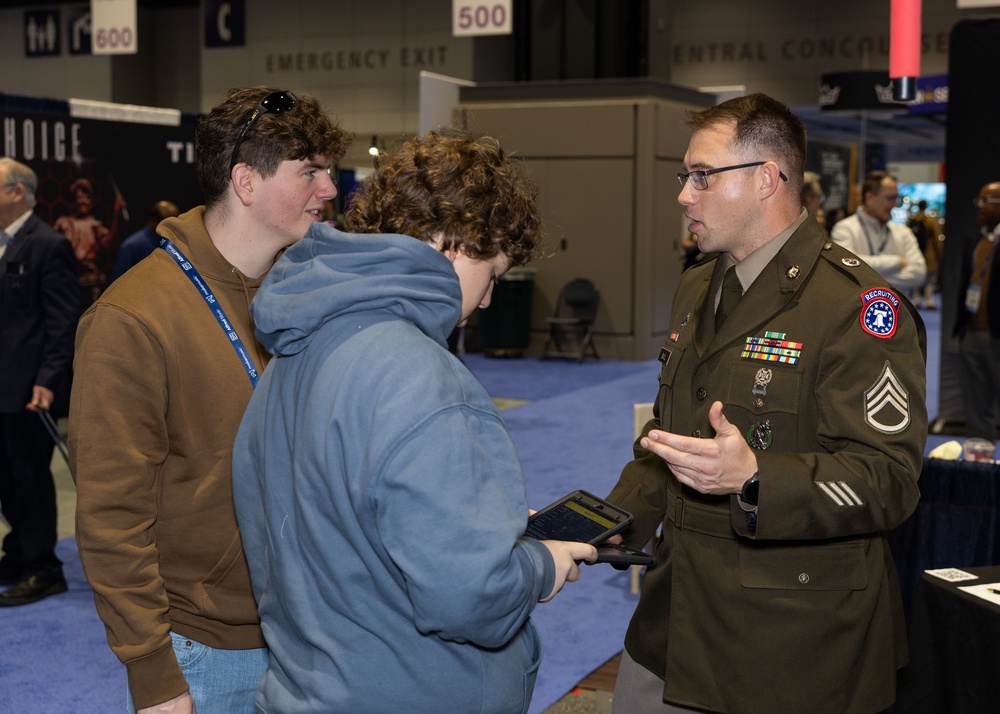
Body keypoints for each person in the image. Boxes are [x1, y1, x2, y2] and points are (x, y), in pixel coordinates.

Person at [231, 130, 597, 714]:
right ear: (454, 241)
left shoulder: (289, 357)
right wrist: (537, 564)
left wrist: (473, 522)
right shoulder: (421, 376)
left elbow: (338, 523)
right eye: (494, 273)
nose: (484, 302)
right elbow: (471, 595)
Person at [605, 93, 927, 714]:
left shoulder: (857, 307)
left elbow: (889, 480)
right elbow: (672, 439)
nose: (683, 195)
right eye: (685, 177)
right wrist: (611, 522)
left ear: (766, 179)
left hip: (791, 643)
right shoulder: (699, 284)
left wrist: (757, 478)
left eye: (702, 176)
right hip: (673, 620)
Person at [68, 87, 349, 714]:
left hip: (306, 629)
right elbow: (112, 520)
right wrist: (154, 676)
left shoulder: (298, 293)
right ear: (246, 182)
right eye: (310, 171)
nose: (329, 188)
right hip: (206, 652)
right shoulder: (132, 319)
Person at [0, 158, 79, 607]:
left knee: (30, 480)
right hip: (3, 389)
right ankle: (19, 551)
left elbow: (63, 319)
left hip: (31, 390)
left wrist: (49, 379)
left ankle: (44, 568)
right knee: (7, 481)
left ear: (17, 192)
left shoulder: (48, 245)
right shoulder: (3, 243)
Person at [954, 181, 1000, 441]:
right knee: (976, 403)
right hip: (972, 333)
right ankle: (979, 463)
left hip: (997, 336)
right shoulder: (975, 239)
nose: (979, 206)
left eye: (986, 201)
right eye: (979, 200)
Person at [830, 170, 927, 292]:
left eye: (896, 198)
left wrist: (864, 273)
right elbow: (848, 271)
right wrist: (898, 262)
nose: (895, 204)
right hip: (857, 310)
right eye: (890, 198)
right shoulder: (844, 229)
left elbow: (919, 274)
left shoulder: (903, 233)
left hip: (897, 310)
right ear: (869, 198)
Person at [54, 177, 127, 307]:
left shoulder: (95, 225)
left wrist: (117, 214)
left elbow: (108, 243)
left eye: (86, 197)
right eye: (79, 196)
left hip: (91, 276)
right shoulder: (64, 223)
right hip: (69, 275)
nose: (83, 201)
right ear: (74, 200)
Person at [111, 200, 181, 280]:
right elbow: (118, 283)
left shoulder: (175, 243)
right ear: (154, 220)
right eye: (168, 223)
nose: (173, 228)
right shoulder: (131, 246)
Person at [906, 199, 944, 309]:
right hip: (929, 253)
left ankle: (916, 300)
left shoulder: (911, 220)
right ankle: (929, 301)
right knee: (929, 280)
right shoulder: (930, 220)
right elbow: (937, 239)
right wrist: (939, 255)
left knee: (915, 277)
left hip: (914, 253)